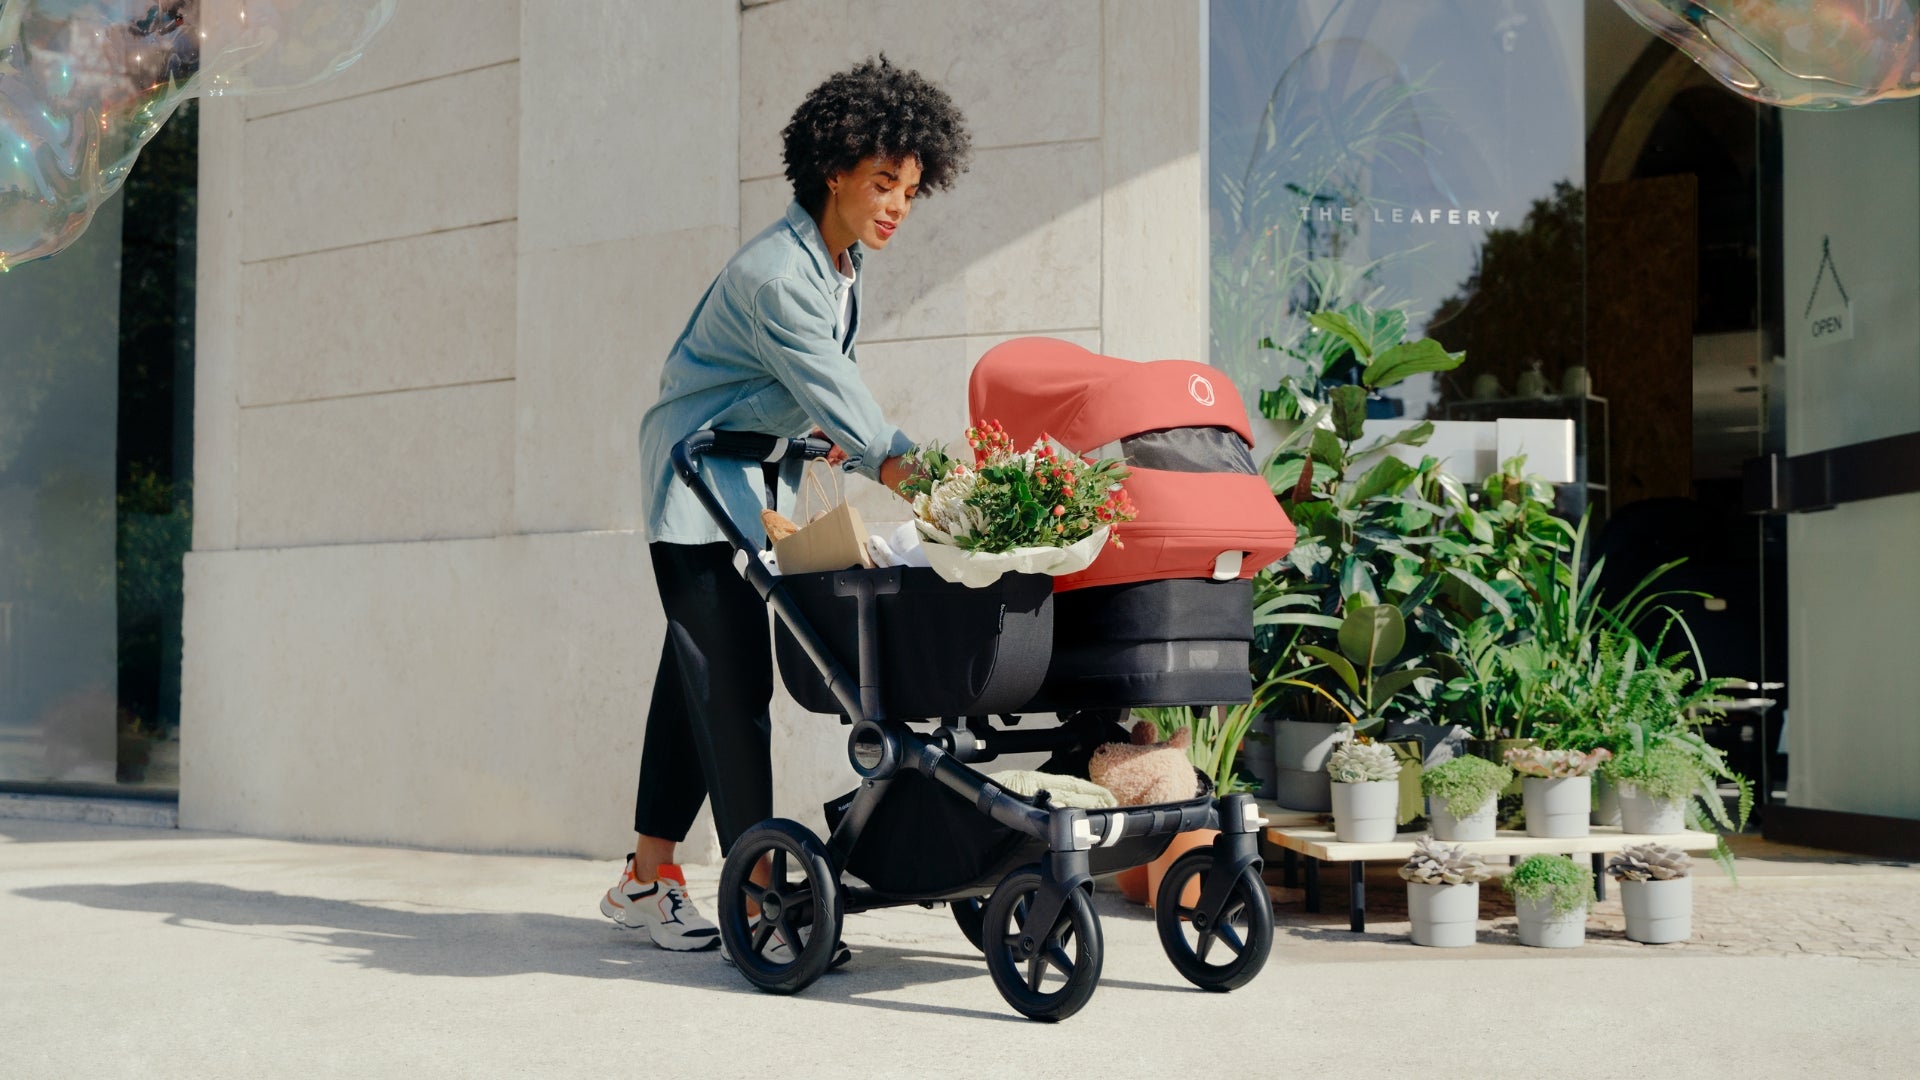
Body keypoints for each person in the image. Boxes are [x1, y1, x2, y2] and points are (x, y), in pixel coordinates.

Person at [601, 57, 971, 956]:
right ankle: (756, 898)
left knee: (691, 678)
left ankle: (647, 880)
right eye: (884, 184)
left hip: (745, 473)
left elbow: (806, 397)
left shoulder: (836, 263)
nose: (897, 207)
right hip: (696, 482)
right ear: (834, 169)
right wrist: (957, 496)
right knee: (732, 686)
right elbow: (855, 412)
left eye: (912, 191)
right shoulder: (780, 275)